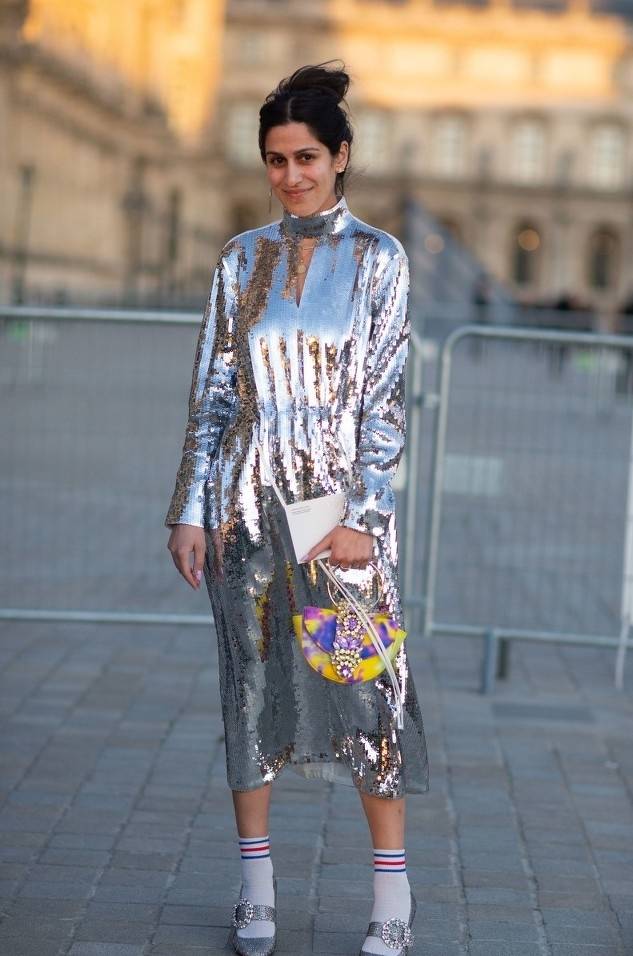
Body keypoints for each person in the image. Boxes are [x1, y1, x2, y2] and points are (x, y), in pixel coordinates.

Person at [164, 61, 429, 956]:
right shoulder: (240, 259)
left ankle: (391, 895)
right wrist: (190, 509)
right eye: (276, 159)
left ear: (342, 156)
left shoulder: (378, 261)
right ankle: (256, 889)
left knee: (365, 692)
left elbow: (383, 407)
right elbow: (210, 397)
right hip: (243, 506)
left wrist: (361, 513)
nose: (291, 175)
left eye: (307, 156)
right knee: (247, 695)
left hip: (333, 509)